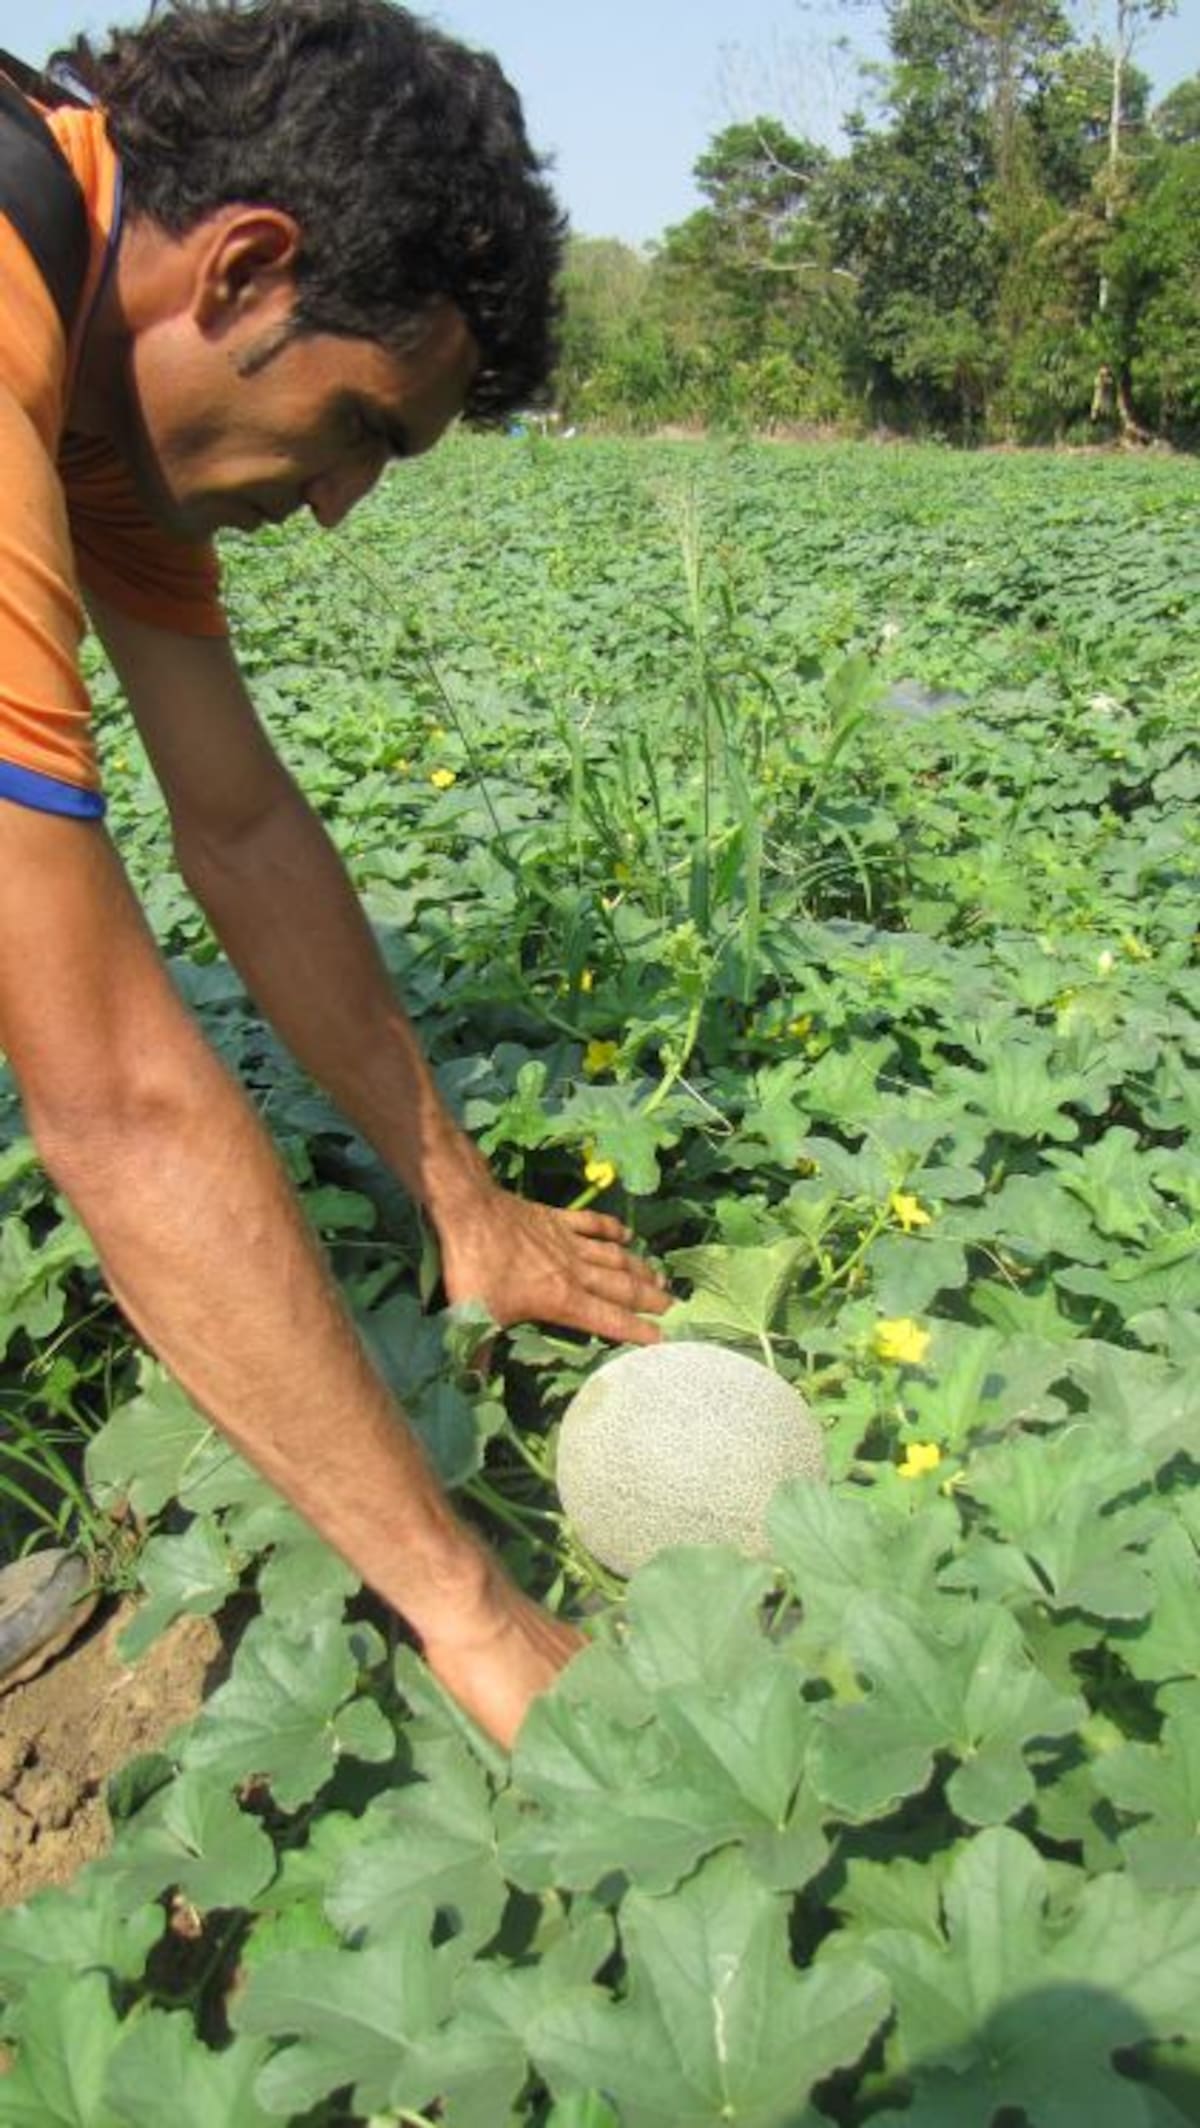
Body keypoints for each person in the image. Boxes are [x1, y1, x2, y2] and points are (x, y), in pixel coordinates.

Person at [0, 0, 669, 1746]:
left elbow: (236, 822)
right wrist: (469, 1606)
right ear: (242, 269)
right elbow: (115, 1102)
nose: (342, 505)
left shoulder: (111, 356)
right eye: (365, 423)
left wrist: (459, 1192)